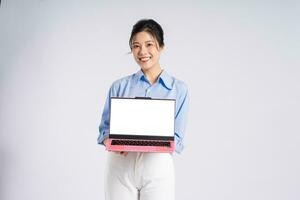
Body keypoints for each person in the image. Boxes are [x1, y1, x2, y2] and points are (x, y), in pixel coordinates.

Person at [98, 18, 189, 200]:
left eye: (149, 44)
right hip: (121, 164)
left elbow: (177, 138)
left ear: (161, 47)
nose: (142, 52)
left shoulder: (179, 89)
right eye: (136, 46)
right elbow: (104, 131)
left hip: (157, 165)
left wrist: (155, 142)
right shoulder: (119, 87)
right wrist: (113, 142)